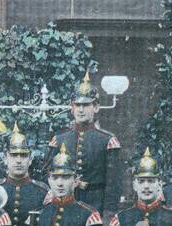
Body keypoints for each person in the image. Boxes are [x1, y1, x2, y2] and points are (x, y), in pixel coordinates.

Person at [48, 73, 122, 215]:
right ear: (72, 108)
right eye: (78, 105)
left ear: (96, 107)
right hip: (65, 204)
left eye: (86, 105)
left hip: (96, 204)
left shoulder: (107, 141)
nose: (81, 110)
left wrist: (108, 213)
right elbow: (48, 174)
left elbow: (113, 183)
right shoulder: (59, 139)